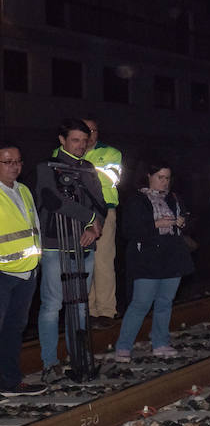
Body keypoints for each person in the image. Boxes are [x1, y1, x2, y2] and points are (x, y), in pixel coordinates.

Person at [35, 119, 106, 378]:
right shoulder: (47, 167)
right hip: (55, 245)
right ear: (62, 140)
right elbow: (53, 200)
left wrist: (93, 226)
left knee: (79, 304)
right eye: (75, 140)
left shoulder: (88, 169)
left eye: (84, 141)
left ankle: (80, 358)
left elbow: (101, 203)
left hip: (84, 244)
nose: (80, 146)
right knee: (53, 304)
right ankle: (49, 361)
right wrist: (88, 217)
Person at [113, 161, 195, 362]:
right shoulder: (136, 200)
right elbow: (129, 231)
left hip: (172, 256)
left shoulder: (174, 198)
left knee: (165, 302)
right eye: (160, 177)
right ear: (149, 176)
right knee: (141, 303)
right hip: (146, 258)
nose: (164, 182)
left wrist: (183, 222)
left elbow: (187, 221)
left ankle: (160, 342)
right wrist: (155, 224)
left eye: (167, 178)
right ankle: (123, 346)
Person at [0, 142, 47, 397]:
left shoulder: (24, 190)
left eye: (17, 161)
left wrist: (36, 263)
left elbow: (33, 228)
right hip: (2, 274)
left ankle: (9, 382)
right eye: (7, 162)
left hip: (26, 272)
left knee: (13, 329)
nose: (14, 166)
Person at [79, 117, 122, 329]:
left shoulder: (111, 153)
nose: (88, 134)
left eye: (92, 130)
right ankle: (88, 310)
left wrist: (81, 170)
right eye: (84, 130)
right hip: (77, 213)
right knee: (83, 261)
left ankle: (106, 311)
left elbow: (110, 179)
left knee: (103, 260)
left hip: (104, 211)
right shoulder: (64, 151)